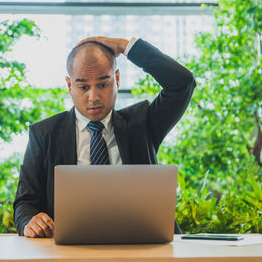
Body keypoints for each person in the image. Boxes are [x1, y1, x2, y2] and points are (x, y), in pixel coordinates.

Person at [14, 36, 196, 238]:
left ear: (116, 79)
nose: (93, 97)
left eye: (102, 85)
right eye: (83, 87)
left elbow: (182, 83)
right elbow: (25, 203)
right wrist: (30, 221)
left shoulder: (142, 123)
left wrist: (126, 47)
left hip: (142, 245)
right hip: (70, 250)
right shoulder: (44, 134)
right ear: (69, 85)